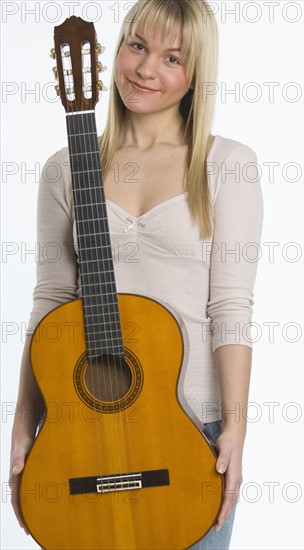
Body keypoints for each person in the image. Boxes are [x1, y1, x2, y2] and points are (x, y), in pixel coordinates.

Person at [9, 0, 264, 548]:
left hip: (190, 430)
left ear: (197, 74)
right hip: (78, 433)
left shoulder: (227, 165)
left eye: (173, 57)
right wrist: (21, 428)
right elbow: (50, 300)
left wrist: (236, 432)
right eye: (138, 46)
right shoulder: (65, 168)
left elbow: (231, 309)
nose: (147, 69)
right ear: (114, 51)